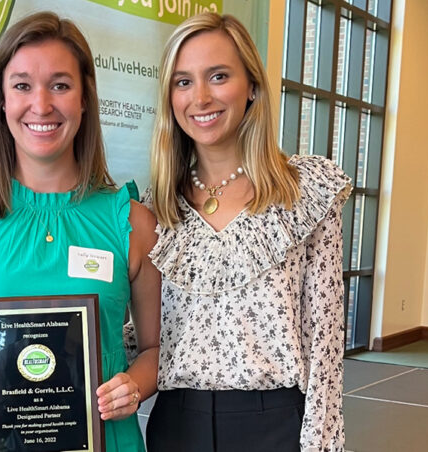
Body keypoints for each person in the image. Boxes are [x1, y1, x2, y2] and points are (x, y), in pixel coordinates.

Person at [0, 11, 161, 452]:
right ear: (1, 99)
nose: (42, 104)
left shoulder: (132, 222)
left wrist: (134, 385)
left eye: (60, 85)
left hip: (105, 437)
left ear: (85, 97)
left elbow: (153, 350)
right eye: (22, 85)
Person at [144, 12, 350, 452]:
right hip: (176, 426)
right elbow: (134, 334)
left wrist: (321, 443)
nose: (200, 97)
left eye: (218, 76)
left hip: (275, 427)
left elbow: (326, 343)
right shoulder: (154, 207)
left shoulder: (303, 193)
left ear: (252, 85)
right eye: (183, 82)